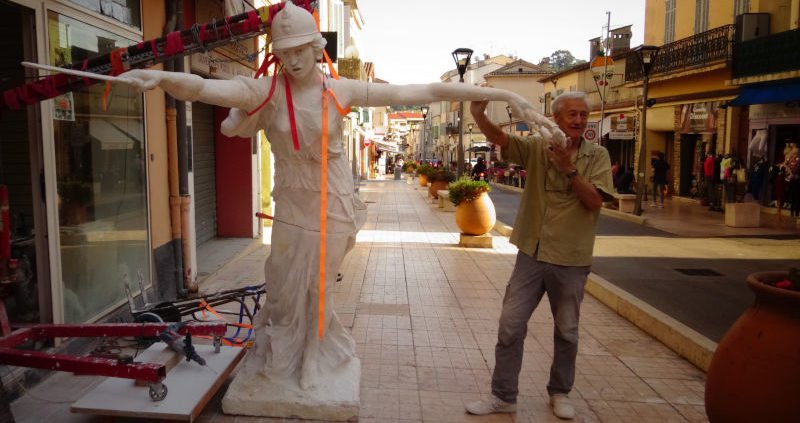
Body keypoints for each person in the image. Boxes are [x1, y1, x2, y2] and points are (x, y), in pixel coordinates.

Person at [119, 1, 544, 394]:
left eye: (301, 49)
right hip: (291, 204)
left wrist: (502, 95)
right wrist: (160, 77)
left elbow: (421, 92)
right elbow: (201, 89)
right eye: (285, 51)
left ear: (315, 46)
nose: (293, 59)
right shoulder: (264, 91)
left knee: (318, 288)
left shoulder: (340, 91)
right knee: (284, 287)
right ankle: (285, 353)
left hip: (333, 203)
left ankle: (312, 359)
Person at [465, 91, 613, 420]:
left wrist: (568, 169)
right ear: (555, 119)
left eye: (583, 115)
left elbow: (595, 202)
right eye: (572, 115)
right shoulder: (535, 148)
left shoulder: (597, 156)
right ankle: (503, 396)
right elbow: (499, 137)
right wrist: (479, 115)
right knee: (510, 326)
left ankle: (560, 393)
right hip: (531, 252)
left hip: (572, 258)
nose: (578, 121)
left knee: (567, 331)